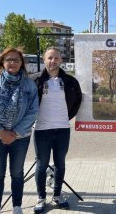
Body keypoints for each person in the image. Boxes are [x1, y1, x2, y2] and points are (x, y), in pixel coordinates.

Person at [0, 48, 38, 214]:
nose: (12, 63)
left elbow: (33, 111)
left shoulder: (30, 85)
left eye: (16, 60)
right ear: (3, 62)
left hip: (20, 137)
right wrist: (2, 131)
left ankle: (17, 206)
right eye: (9, 60)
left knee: (17, 173)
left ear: (22, 63)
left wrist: (15, 132)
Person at [33, 47, 82, 212]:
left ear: (61, 60)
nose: (52, 61)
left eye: (56, 58)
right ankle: (41, 198)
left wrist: (65, 117)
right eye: (49, 58)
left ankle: (57, 195)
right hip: (42, 130)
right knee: (41, 164)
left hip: (62, 129)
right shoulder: (35, 80)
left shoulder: (70, 81)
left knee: (60, 163)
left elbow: (77, 102)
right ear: (44, 60)